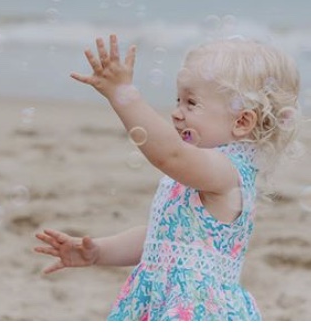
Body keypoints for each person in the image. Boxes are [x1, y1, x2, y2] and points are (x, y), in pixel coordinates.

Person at [33, 34, 301, 320]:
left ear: (242, 121)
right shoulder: (200, 170)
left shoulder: (226, 172)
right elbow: (160, 238)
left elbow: (168, 155)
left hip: (196, 309)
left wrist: (124, 95)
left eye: (191, 103)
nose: (176, 113)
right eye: (178, 100)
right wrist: (99, 252)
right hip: (162, 300)